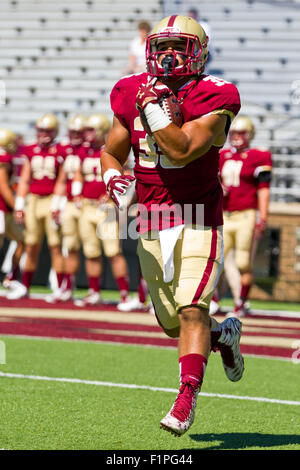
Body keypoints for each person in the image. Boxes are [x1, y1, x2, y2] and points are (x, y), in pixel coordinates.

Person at [101, 15, 245, 436]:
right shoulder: (129, 89)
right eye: (161, 46)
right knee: (172, 324)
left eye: (179, 47)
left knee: (191, 309)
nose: (168, 55)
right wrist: (113, 177)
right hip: (151, 216)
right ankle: (224, 335)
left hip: (198, 214)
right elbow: (112, 151)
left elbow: (181, 149)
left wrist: (154, 108)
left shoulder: (215, 94)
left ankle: (186, 398)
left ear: (198, 51)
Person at [71, 113, 132, 309]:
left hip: (106, 209)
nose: (87, 133)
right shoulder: (84, 151)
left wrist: (112, 193)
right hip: (87, 207)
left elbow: (129, 174)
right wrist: (77, 193)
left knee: (114, 252)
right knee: (91, 253)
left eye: (91, 129)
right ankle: (94, 292)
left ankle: (124, 295)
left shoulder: (114, 148)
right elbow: (79, 174)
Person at [218, 116, 272, 318]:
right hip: (224, 214)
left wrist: (262, 217)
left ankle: (241, 303)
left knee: (242, 262)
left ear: (250, 134)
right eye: (233, 133)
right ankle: (215, 300)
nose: (236, 137)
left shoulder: (260, 156)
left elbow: (264, 190)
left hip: (245, 215)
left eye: (241, 133)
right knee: (217, 260)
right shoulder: (222, 155)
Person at [12, 113, 65, 300]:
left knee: (55, 246)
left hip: (51, 199)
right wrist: (20, 205)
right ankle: (25, 286)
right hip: (34, 200)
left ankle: (60, 288)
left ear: (55, 131)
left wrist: (57, 205)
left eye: (47, 130)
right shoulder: (30, 150)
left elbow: (62, 180)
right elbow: (25, 180)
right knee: (31, 245)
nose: (43, 133)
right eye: (40, 130)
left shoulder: (60, 150)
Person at [51, 114, 88, 301]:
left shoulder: (90, 150)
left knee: (93, 249)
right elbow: (61, 179)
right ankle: (66, 285)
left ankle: (94, 291)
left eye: (78, 132)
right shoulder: (64, 150)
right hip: (69, 202)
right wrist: (56, 204)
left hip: (88, 203)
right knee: (68, 246)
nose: (75, 135)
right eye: (72, 132)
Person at [0, 129, 25, 296]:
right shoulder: (4, 158)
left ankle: (10, 279)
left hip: (5, 210)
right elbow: (2, 186)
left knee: (23, 240)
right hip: (2, 208)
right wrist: (18, 206)